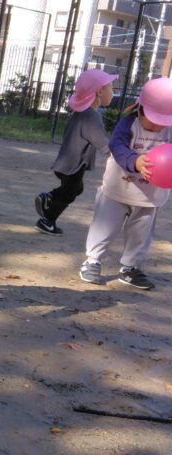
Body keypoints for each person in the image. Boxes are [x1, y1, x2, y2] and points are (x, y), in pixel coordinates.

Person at [79, 76, 172, 290]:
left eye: (164, 121)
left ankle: (130, 267)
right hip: (118, 189)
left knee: (141, 234)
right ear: (141, 108)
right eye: (154, 120)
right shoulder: (129, 122)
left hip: (149, 195)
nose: (158, 125)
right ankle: (93, 260)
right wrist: (135, 161)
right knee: (105, 226)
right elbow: (117, 146)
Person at [34, 68, 118, 234]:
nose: (113, 93)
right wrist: (120, 155)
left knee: (76, 188)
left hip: (67, 162)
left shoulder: (83, 112)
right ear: (100, 91)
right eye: (111, 88)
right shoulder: (91, 116)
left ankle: (49, 198)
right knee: (69, 194)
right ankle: (47, 221)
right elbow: (102, 142)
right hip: (74, 164)